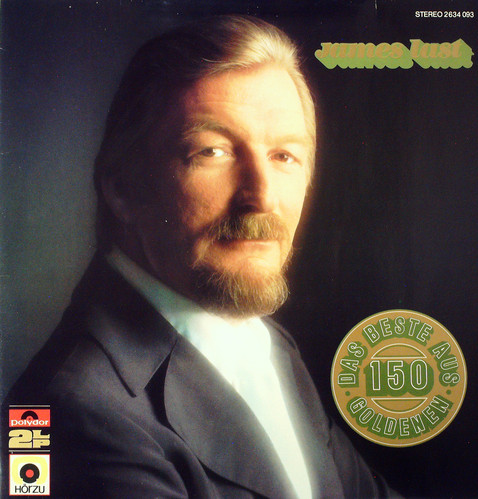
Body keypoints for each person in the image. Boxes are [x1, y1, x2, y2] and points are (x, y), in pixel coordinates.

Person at [4, 15, 398, 498]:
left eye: (284, 156)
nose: (262, 197)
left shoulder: (268, 344)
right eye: (212, 152)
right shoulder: (74, 411)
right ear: (122, 188)